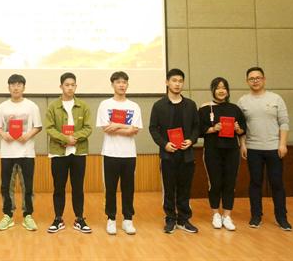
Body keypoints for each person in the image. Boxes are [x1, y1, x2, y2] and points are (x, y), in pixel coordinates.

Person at [237, 67, 292, 231]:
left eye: (258, 78)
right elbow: (241, 127)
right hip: (253, 149)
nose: (255, 81)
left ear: (264, 79)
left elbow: (284, 122)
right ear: (247, 81)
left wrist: (282, 144)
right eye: (251, 78)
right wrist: (243, 144)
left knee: (277, 183)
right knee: (255, 183)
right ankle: (256, 216)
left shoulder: (276, 98)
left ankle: (282, 218)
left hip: (274, 148)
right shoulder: (243, 101)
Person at [149, 68, 200, 234]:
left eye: (180, 81)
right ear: (167, 82)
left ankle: (184, 219)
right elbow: (153, 129)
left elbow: (196, 127)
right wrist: (164, 144)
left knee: (185, 188)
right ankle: (170, 218)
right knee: (169, 189)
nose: (177, 84)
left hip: (187, 154)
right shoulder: (159, 105)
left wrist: (191, 140)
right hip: (168, 154)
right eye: (174, 80)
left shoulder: (190, 105)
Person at [45, 72, 93, 234]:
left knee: (78, 187)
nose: (70, 88)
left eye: (73, 85)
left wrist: (75, 138)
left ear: (76, 86)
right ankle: (58, 219)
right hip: (59, 153)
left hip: (78, 152)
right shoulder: (53, 106)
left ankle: (79, 219)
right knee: (59, 187)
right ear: (61, 87)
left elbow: (88, 128)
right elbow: (49, 128)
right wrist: (65, 139)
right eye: (67, 85)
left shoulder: (83, 106)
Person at [96, 71, 142, 235]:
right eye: (118, 82)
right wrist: (126, 128)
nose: (121, 85)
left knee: (128, 188)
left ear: (127, 85)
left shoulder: (134, 106)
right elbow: (106, 128)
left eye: (124, 82)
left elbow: (134, 130)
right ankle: (111, 219)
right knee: (110, 188)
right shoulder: (105, 105)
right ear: (112, 85)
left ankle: (128, 220)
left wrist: (116, 125)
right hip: (110, 153)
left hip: (129, 154)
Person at [0, 74, 42, 231]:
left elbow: (38, 126)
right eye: (13, 85)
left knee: (27, 186)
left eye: (19, 84)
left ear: (24, 87)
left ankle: (28, 215)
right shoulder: (2, 107)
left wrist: (27, 135)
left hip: (26, 152)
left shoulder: (32, 106)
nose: (16, 87)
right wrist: (4, 134)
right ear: (8, 87)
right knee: (6, 186)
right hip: (7, 152)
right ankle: (8, 215)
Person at [198, 77, 246, 231]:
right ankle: (215, 214)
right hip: (212, 151)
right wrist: (214, 129)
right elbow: (198, 130)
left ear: (228, 91)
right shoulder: (205, 109)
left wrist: (238, 129)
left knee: (230, 183)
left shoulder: (235, 108)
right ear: (213, 90)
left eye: (224, 87)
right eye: (218, 87)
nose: (221, 90)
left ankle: (227, 215)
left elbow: (243, 130)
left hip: (232, 151)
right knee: (215, 183)